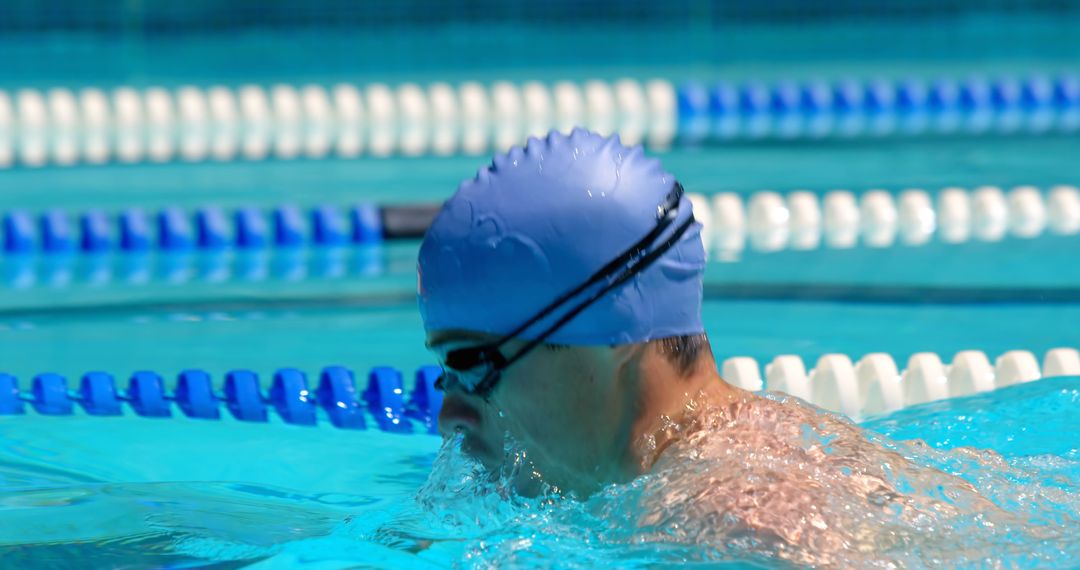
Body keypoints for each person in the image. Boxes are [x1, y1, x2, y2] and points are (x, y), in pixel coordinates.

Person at [415, 129, 1053, 565]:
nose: (450, 415)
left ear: (610, 336)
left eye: (471, 365)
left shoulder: (728, 518)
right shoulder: (741, 456)